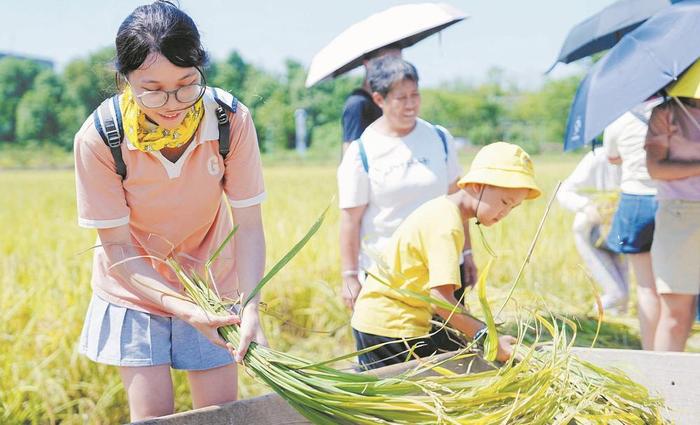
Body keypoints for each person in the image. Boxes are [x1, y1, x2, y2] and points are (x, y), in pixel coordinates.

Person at [74, 2, 267, 420]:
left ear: (201, 69)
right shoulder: (100, 138)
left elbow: (249, 225)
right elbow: (118, 249)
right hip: (133, 289)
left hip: (212, 288)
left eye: (186, 84)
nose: (172, 103)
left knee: (220, 415)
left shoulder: (229, 121)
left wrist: (249, 306)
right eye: (152, 88)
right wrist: (184, 309)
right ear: (125, 79)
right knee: (154, 417)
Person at [351, 142, 541, 369]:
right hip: (391, 328)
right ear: (478, 186)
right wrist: (489, 339)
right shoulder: (447, 225)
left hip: (385, 321)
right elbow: (440, 300)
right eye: (504, 202)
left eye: (513, 207)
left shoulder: (444, 210)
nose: (504, 213)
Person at [337, 56, 476, 313]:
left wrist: (467, 254)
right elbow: (350, 220)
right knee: (397, 351)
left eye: (415, 95)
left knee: (451, 350)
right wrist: (349, 275)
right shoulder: (362, 152)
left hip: (443, 270)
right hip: (389, 274)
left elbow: (457, 201)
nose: (411, 104)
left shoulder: (440, 139)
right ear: (379, 99)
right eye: (401, 98)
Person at [645, 64, 700, 351]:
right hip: (680, 216)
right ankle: (663, 391)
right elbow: (656, 168)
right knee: (678, 314)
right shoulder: (666, 113)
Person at [603, 102, 660, 350]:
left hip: (635, 203)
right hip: (675, 200)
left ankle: (653, 352)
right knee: (675, 288)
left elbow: (612, 157)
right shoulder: (677, 113)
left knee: (646, 287)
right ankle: (674, 349)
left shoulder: (619, 118)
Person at [557, 148, 628, 314]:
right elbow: (564, 191)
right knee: (617, 294)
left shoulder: (637, 158)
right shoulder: (597, 157)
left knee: (625, 298)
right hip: (591, 234)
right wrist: (588, 207)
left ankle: (618, 334)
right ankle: (595, 321)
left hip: (620, 233)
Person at [340, 46, 401, 157]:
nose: (395, 69)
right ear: (368, 64)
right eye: (388, 62)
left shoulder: (388, 104)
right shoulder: (357, 104)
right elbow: (350, 154)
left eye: (399, 63)